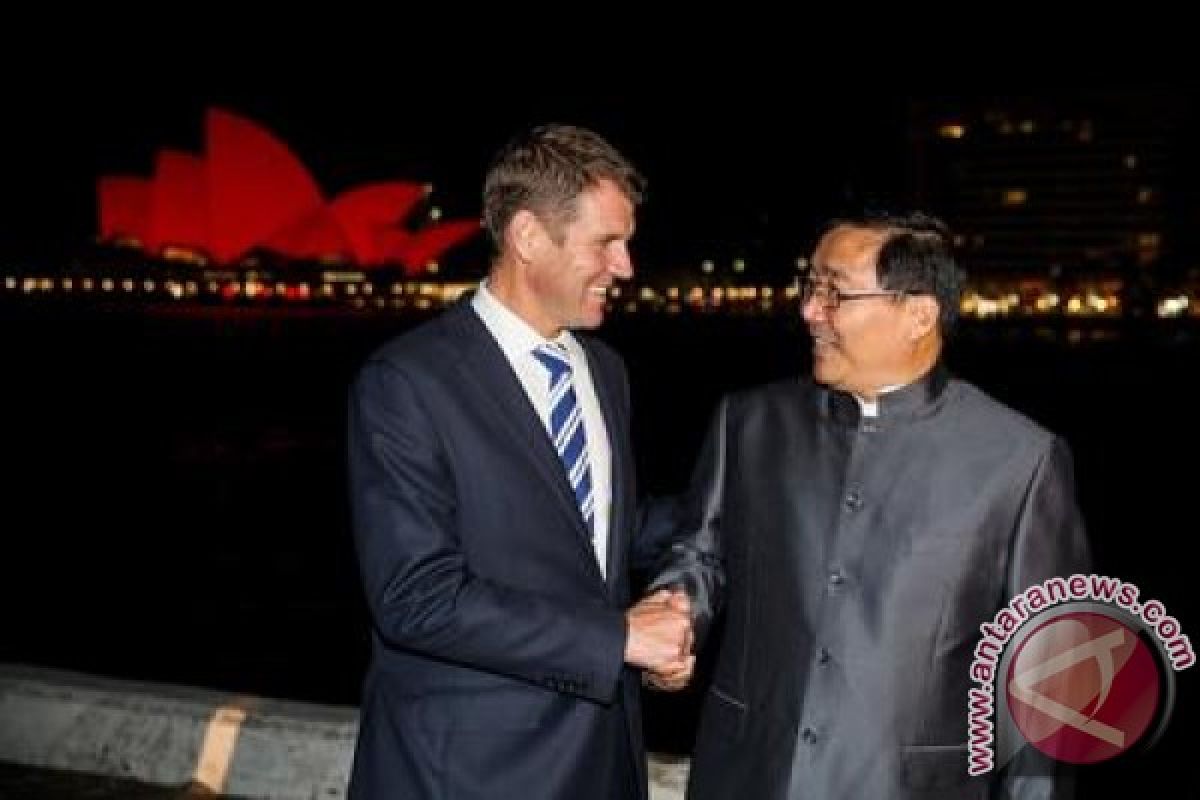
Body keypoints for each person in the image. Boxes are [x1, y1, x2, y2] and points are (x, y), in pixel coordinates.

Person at [657, 211, 1091, 798]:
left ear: (918, 314)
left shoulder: (1020, 460)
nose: (811, 311)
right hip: (747, 772)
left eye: (836, 292)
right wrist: (677, 610)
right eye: (811, 287)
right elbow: (700, 554)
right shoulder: (750, 423)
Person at [346, 124, 693, 800]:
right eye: (606, 243)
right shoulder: (408, 382)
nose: (625, 266)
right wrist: (619, 638)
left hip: (606, 761)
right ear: (529, 237)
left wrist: (739, 507)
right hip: (471, 776)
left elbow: (595, 534)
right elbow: (416, 599)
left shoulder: (605, 369)